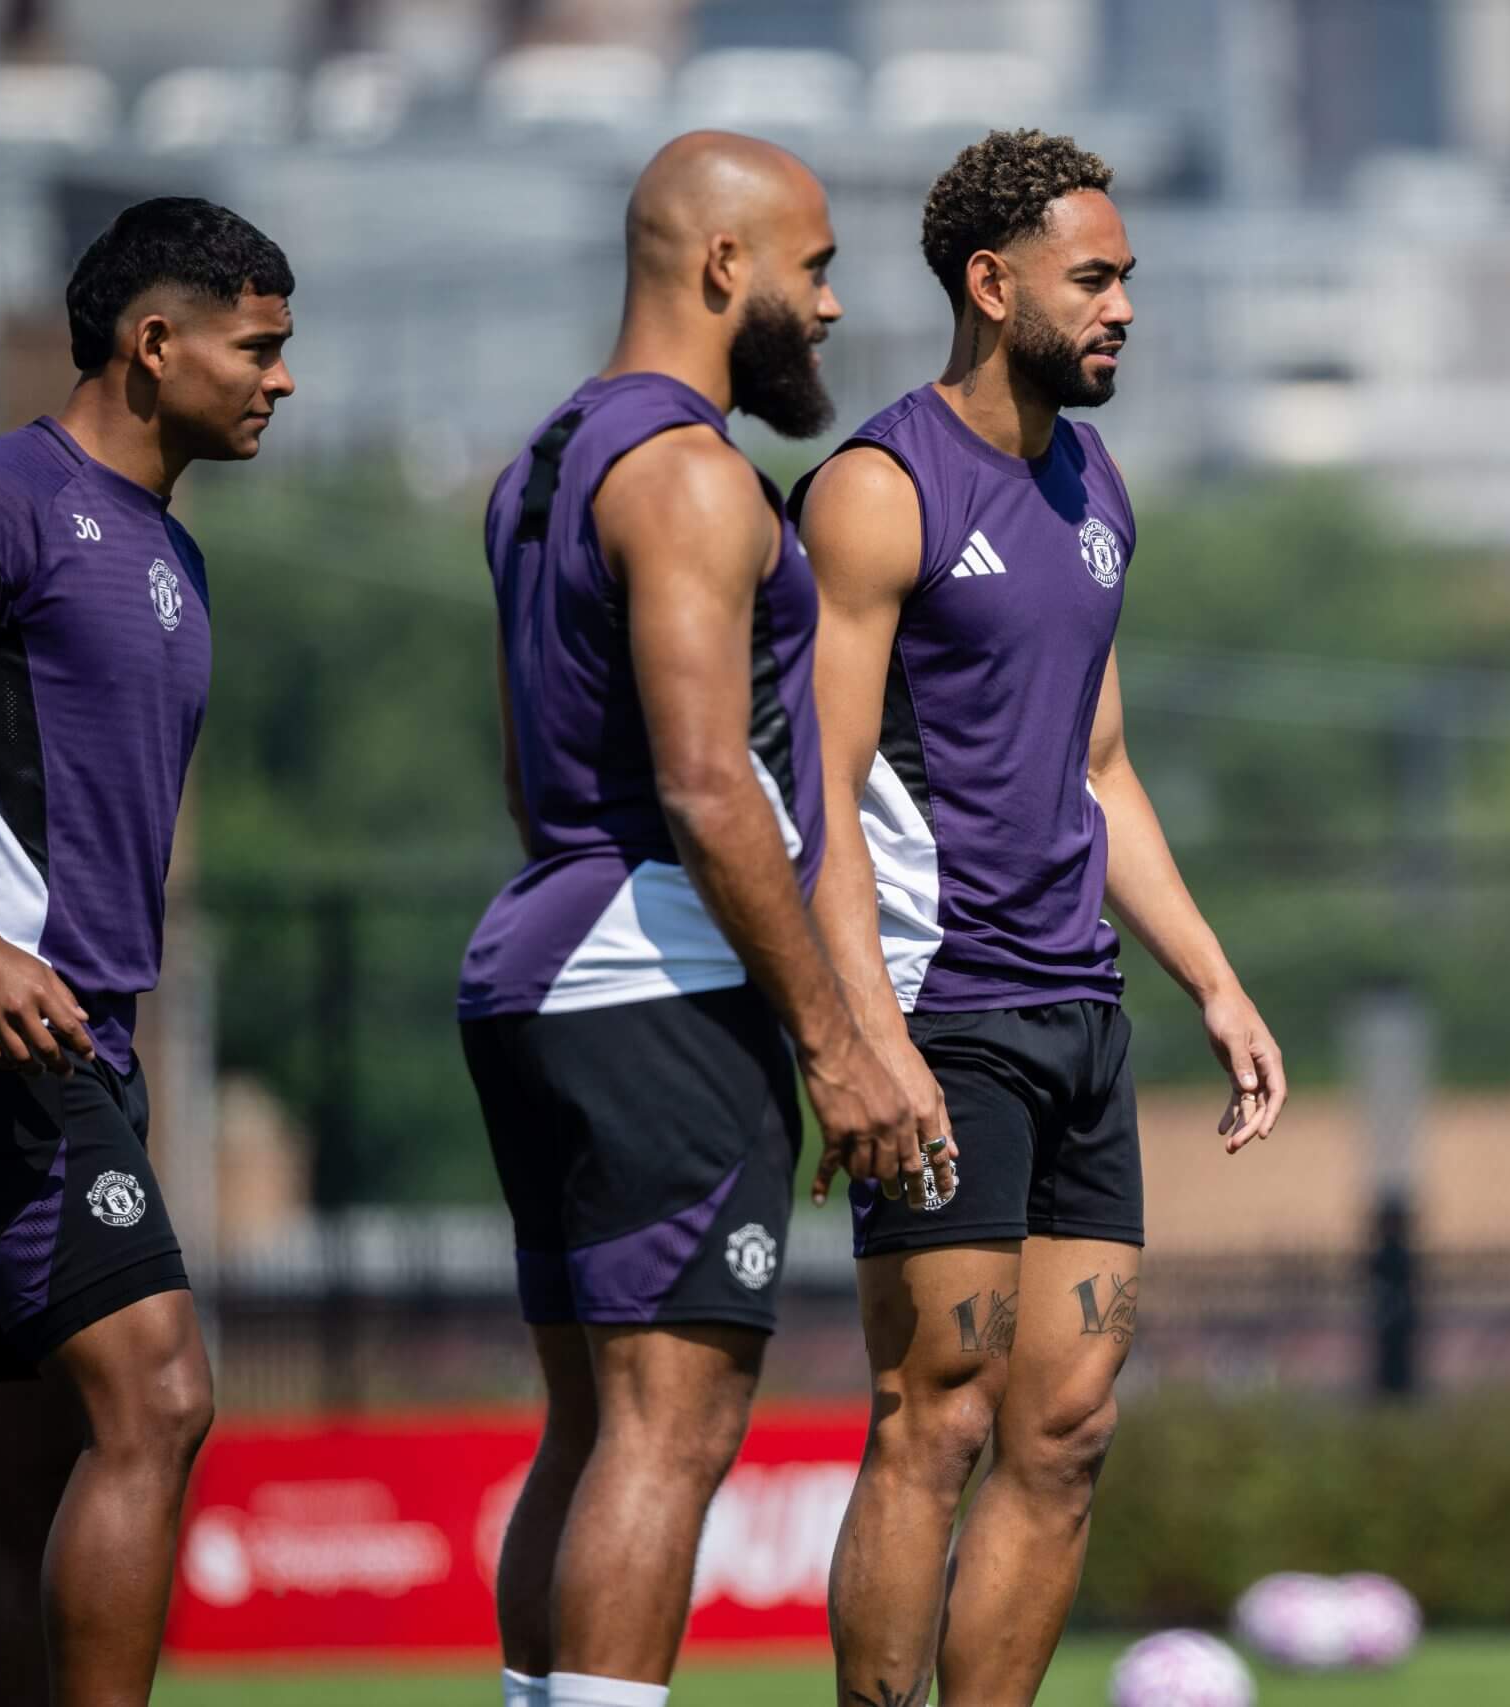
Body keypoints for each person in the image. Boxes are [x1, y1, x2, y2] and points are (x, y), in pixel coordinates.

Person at [797, 128, 1288, 1705]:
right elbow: (820, 792)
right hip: (944, 1018)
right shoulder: (876, 488)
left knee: (1066, 1428)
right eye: (1095, 278)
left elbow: (1103, 767)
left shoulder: (1096, 485)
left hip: (1083, 1014)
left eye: (1128, 277)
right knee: (937, 1410)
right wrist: (860, 1034)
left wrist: (1214, 980)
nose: (1125, 305)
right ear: (993, 286)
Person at [456, 132, 918, 1707]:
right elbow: (711, 786)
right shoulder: (694, 476)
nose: (833, 305)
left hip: (534, 960)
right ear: (727, 265)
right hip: (657, 973)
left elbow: (528, 778)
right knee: (672, 1427)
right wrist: (836, 1041)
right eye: (817, 266)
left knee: (591, 1425)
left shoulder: (537, 467)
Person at [0, 196, 294, 1706]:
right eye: (258, 346)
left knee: (33, 1460)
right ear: (154, 342)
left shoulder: (171, 550)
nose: (281, 379)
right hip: (12, 1041)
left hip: (96, 1038)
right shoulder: (11, 498)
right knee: (160, 1393)